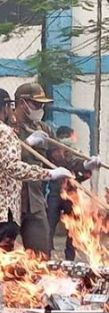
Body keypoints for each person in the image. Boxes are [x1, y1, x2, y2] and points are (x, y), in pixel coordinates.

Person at [0, 88, 73, 254]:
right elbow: (13, 167)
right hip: (2, 211)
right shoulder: (3, 131)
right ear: (5, 107)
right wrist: (49, 174)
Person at [13, 83, 101, 256]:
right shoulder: (7, 129)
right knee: (1, 256)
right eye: (36, 104)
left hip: (35, 202)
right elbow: (5, 159)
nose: (41, 108)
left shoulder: (43, 129)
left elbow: (62, 156)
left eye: (42, 105)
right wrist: (26, 144)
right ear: (22, 103)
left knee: (41, 254)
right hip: (10, 203)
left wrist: (84, 164)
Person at [46, 126, 90, 260]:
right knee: (49, 226)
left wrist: (78, 177)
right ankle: (45, 255)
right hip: (55, 194)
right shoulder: (52, 153)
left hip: (72, 196)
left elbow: (86, 172)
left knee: (74, 228)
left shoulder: (76, 153)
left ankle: (69, 257)